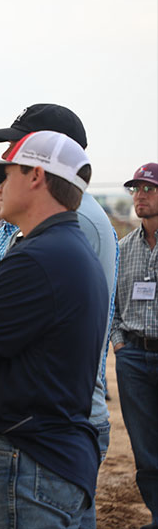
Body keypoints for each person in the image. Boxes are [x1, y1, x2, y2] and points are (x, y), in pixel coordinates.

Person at [0, 131, 108, 528]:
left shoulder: (35, 258)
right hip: (53, 452)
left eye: (8, 172)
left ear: (36, 176)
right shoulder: (71, 247)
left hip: (29, 459)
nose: (0, 186)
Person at [0, 103, 118, 529]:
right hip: (39, 412)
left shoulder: (79, 221)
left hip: (50, 417)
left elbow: (60, 327)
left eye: (19, 148)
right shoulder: (36, 219)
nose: (9, 159)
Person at [112, 163, 158, 529]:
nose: (140, 196)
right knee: (144, 449)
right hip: (133, 358)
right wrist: (118, 343)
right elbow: (111, 303)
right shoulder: (123, 248)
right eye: (136, 189)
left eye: (148, 189)